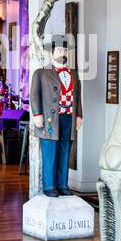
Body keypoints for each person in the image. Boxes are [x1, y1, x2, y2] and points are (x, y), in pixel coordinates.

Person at [29, 37, 82, 197]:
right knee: (50, 151)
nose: (63, 53)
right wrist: (37, 115)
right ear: (51, 56)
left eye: (65, 50)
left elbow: (78, 96)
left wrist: (79, 114)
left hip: (68, 117)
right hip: (50, 119)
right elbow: (34, 94)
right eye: (59, 51)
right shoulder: (41, 73)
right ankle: (49, 186)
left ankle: (62, 184)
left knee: (65, 151)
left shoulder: (73, 73)